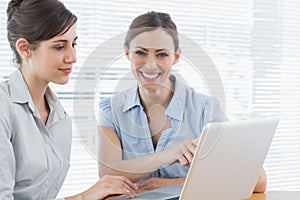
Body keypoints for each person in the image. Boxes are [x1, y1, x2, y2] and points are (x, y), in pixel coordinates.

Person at [98, 11, 267, 193]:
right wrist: (167, 156)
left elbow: (258, 180)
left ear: (176, 57)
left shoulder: (205, 110)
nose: (150, 64)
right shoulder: (111, 110)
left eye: (162, 55)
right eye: (140, 53)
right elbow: (107, 174)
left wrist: (175, 184)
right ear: (127, 53)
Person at [0, 0, 138, 199]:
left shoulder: (61, 119)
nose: (72, 56)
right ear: (24, 48)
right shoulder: (4, 108)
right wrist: (84, 197)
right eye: (59, 47)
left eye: (73, 44)